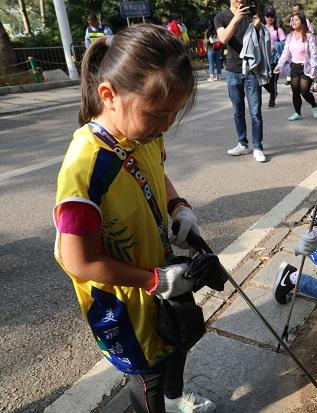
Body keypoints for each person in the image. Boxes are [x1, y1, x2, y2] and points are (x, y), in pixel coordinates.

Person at [54, 24, 216, 413]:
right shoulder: (86, 167)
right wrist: (153, 281)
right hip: (124, 303)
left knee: (176, 343)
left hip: (161, 278)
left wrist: (178, 207)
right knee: (149, 378)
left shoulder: (144, 135)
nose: (165, 126)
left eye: (173, 114)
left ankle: (175, 400)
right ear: (108, 95)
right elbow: (77, 259)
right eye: (157, 114)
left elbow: (156, 173)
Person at [215, 0, 267, 162]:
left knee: (255, 112)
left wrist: (257, 27)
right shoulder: (221, 17)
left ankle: (258, 147)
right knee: (238, 111)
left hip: (251, 69)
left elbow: (260, 41)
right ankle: (242, 144)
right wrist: (236, 18)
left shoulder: (250, 14)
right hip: (233, 70)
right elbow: (223, 38)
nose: (241, 0)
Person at [274, 13, 317, 121]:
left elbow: (313, 54)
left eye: (296, 20)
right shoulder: (289, 37)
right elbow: (285, 52)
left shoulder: (309, 36)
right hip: (294, 66)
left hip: (306, 67)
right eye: (292, 20)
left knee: (304, 91)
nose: (293, 22)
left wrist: (314, 68)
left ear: (302, 22)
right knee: (295, 90)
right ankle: (297, 113)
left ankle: (314, 105)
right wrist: (279, 65)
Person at [264, 6, 286, 107]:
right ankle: (273, 93)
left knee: (273, 81)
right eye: (268, 16)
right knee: (262, 80)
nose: (270, 18)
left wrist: (275, 46)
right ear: (264, 17)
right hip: (263, 59)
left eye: (272, 16)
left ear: (274, 17)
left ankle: (272, 99)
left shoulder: (278, 30)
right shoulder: (261, 28)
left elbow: (284, 44)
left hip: (275, 60)